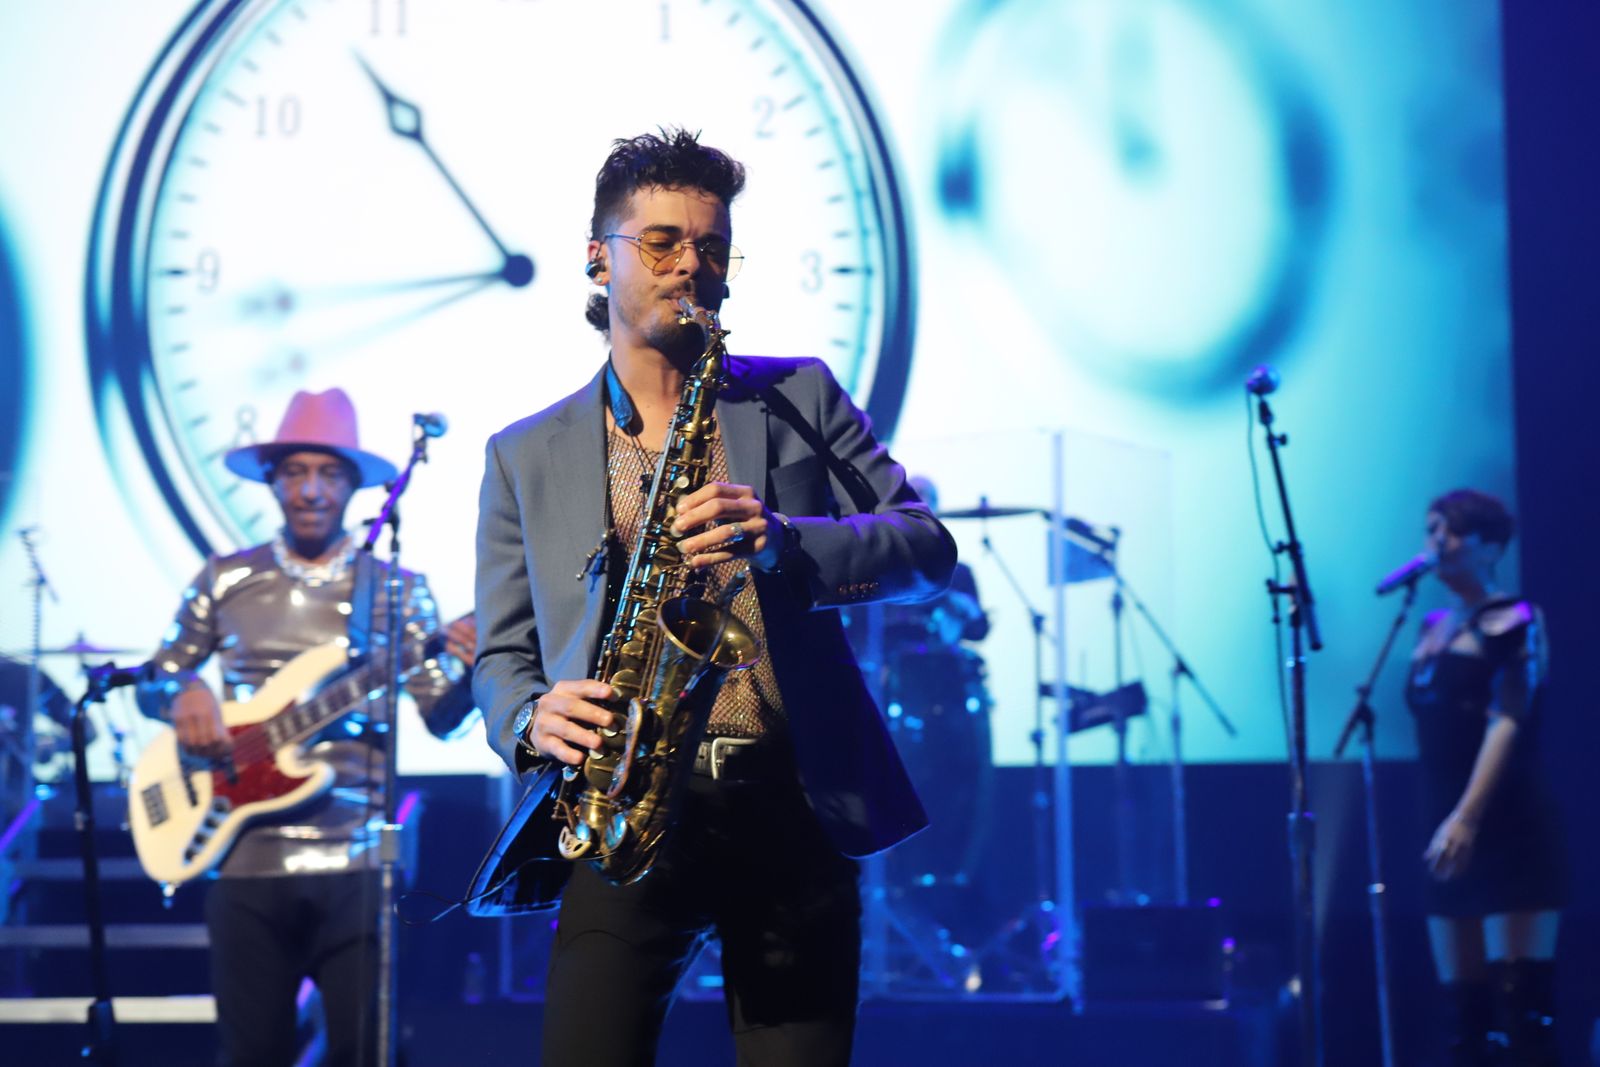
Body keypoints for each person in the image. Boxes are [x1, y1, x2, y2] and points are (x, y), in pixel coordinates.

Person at [467, 128, 956, 1066]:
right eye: (661, 243)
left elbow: (928, 548)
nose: (692, 265)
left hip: (791, 803)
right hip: (622, 804)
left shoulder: (800, 395)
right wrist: (529, 717)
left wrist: (785, 542)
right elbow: (502, 655)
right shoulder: (521, 454)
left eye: (712, 246)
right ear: (598, 257)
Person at [137, 388, 477, 1067]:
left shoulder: (397, 588)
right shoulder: (225, 578)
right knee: (251, 1053)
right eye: (295, 472)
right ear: (272, 481)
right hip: (240, 854)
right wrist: (185, 690)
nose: (311, 490)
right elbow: (156, 675)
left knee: (361, 1052)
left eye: (328, 473)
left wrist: (472, 671)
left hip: (357, 862)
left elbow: (441, 719)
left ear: (352, 485)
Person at [1404, 488, 1563, 1067]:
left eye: (1452, 531)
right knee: (1463, 1018)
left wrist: (1467, 817)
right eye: (1431, 529)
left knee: (1519, 1010)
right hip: (1442, 820)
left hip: (1504, 823)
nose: (1437, 542)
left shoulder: (1516, 619)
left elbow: (1508, 718)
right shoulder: (1430, 627)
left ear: (1491, 547)